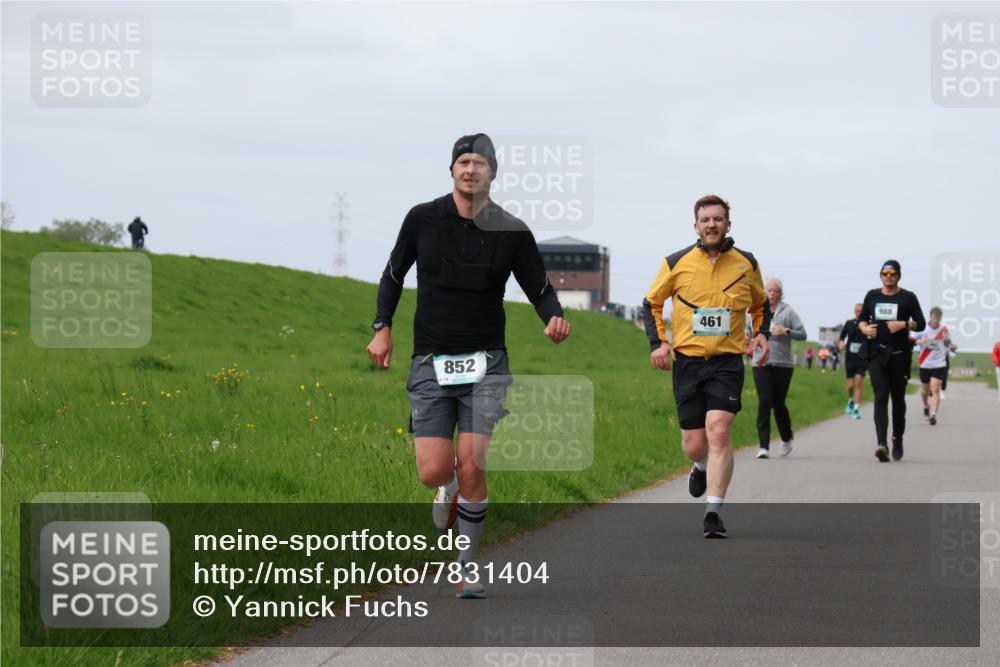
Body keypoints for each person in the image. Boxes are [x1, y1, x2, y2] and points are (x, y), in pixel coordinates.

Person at [367, 133, 571, 597]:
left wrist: (554, 316)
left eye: (480, 162)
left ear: (492, 173)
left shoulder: (512, 230)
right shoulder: (421, 219)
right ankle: (447, 487)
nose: (470, 169)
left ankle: (466, 565)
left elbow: (539, 287)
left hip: (486, 362)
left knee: (473, 462)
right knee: (434, 470)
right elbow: (393, 274)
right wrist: (383, 326)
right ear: (453, 170)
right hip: (430, 361)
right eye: (463, 161)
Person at [642, 194, 770, 538]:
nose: (712, 224)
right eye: (705, 220)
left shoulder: (747, 263)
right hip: (687, 363)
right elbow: (651, 303)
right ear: (696, 226)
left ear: (728, 223)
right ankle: (699, 466)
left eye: (718, 218)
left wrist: (761, 334)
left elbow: (761, 305)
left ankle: (713, 511)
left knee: (719, 429)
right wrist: (659, 343)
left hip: (727, 362)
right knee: (695, 445)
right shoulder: (676, 262)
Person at [858, 260, 926, 462]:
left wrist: (904, 324)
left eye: (892, 273)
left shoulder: (908, 297)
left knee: (898, 399)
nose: (888, 276)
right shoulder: (872, 295)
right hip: (877, 355)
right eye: (885, 273)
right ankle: (881, 444)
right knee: (881, 395)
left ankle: (897, 438)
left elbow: (920, 324)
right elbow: (862, 318)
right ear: (880, 275)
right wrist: (864, 329)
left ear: (898, 276)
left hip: (899, 355)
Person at [751, 278, 806, 459]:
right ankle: (764, 446)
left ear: (780, 293)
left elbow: (802, 334)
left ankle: (786, 436)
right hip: (761, 362)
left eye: (775, 291)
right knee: (765, 400)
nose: (772, 293)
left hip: (783, 363)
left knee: (778, 403)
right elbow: (745, 331)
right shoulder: (756, 311)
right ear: (764, 292)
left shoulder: (788, 311)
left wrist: (786, 331)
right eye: (769, 290)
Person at [914, 306, 957, 426]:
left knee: (936, 389)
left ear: (940, 318)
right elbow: (911, 339)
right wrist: (919, 342)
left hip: (939, 363)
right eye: (933, 318)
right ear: (930, 317)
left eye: (937, 319)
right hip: (925, 363)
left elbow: (948, 342)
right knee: (924, 391)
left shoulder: (944, 330)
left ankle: (933, 414)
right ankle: (926, 405)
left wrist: (953, 346)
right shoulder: (923, 329)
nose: (935, 321)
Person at [838, 303, 868, 419]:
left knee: (859, 383)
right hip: (850, 358)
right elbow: (842, 337)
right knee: (850, 386)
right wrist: (841, 344)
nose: (858, 313)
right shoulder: (849, 323)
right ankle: (851, 399)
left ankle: (856, 409)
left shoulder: (867, 325)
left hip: (862, 358)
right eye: (856, 311)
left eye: (860, 311)